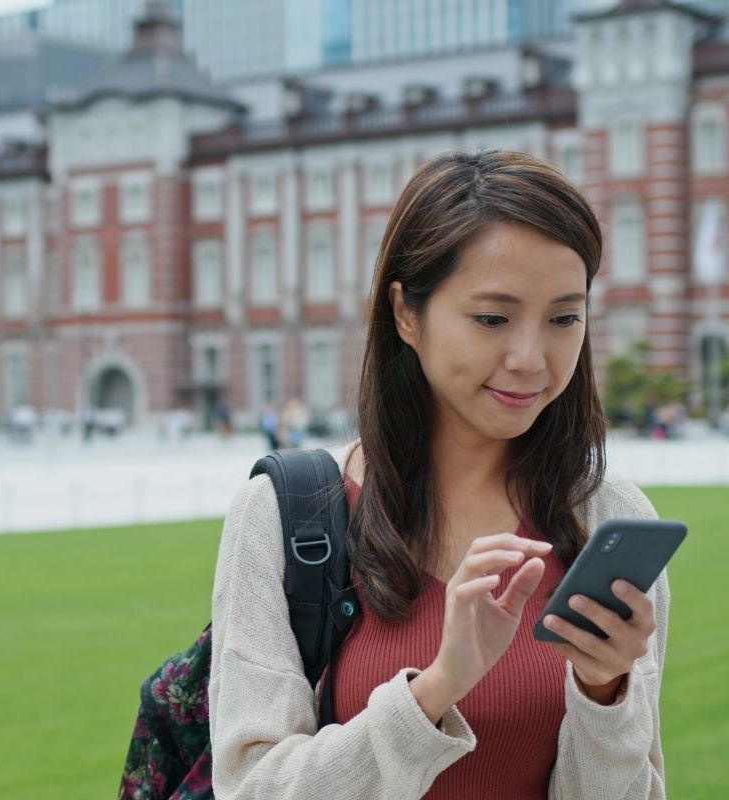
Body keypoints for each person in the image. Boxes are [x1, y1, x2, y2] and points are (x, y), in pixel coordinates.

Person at [209, 151, 670, 798]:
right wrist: (437, 688)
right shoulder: (287, 516)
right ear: (405, 313)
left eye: (565, 317)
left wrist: (606, 693)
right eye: (492, 318)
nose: (531, 359)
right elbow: (251, 789)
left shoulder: (608, 521)